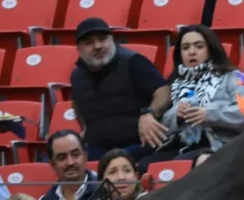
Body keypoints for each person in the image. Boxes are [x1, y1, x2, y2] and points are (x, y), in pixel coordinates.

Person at [138, 24, 244, 174]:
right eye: (185, 48)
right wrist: (177, 116)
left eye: (199, 46)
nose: (192, 52)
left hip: (217, 145)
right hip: (177, 145)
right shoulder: (174, 83)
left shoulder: (233, 77)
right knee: (142, 166)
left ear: (211, 49)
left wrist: (209, 114)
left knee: (174, 168)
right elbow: (163, 129)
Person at [70, 17, 170, 162]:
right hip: (98, 146)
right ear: (79, 49)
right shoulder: (77, 75)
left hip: (138, 144)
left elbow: (163, 91)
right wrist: (84, 129)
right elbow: (77, 103)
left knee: (113, 163)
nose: (97, 46)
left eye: (103, 39)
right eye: (89, 43)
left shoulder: (133, 62)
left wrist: (149, 113)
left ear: (112, 40)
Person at [37, 130, 97, 200]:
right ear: (52, 165)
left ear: (85, 157)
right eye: (61, 157)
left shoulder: (103, 192)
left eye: (75, 154)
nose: (70, 162)